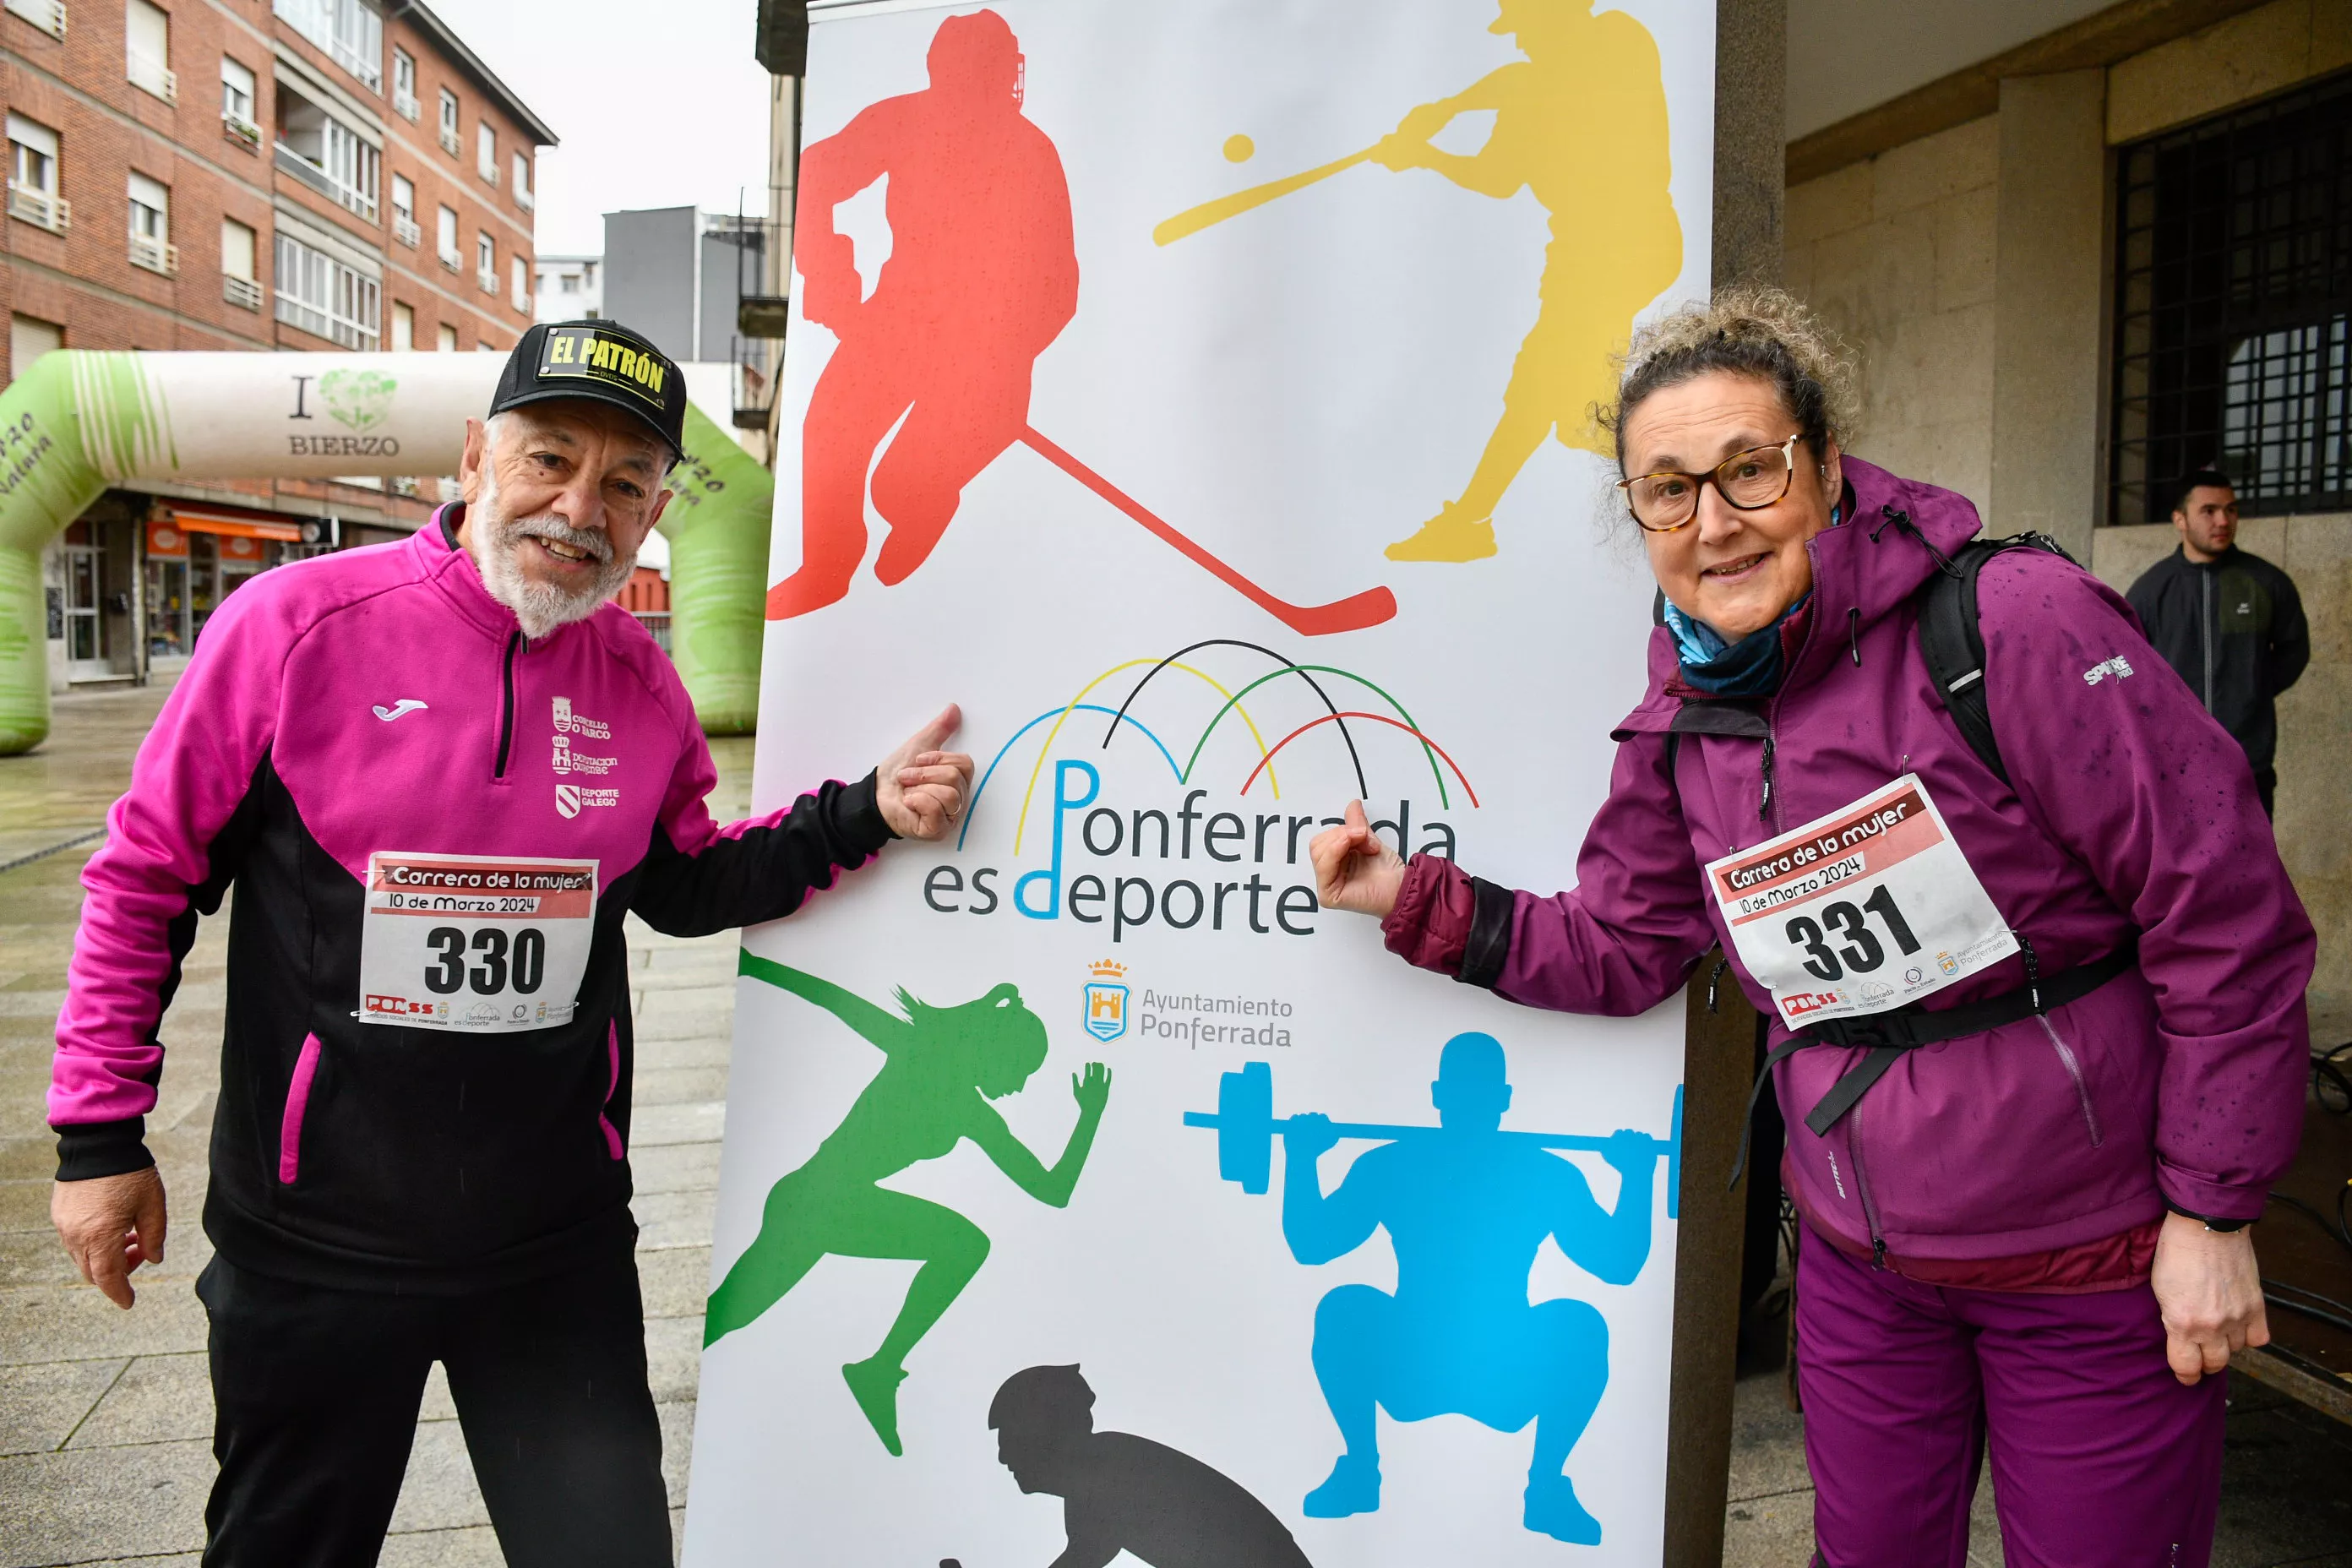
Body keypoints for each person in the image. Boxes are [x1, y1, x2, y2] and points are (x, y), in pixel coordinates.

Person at [1309, 289, 2312, 1566]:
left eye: (1749, 470)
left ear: (1827, 466)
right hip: (1859, 1265)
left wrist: (2215, 1217)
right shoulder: (1684, 708)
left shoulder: (2011, 622)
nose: (1712, 522)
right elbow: (1625, 947)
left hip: (2093, 1259)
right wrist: (1410, 900)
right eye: (1666, 491)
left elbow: (2226, 916)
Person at [46, 318, 977, 1568]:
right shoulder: (293, 626)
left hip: (554, 1248)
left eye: (626, 483)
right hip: (316, 1242)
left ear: (653, 516)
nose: (581, 505)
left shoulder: (641, 688)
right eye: (549, 458)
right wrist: (98, 1139)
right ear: (476, 455)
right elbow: (144, 880)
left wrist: (866, 810)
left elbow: (687, 883)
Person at [704, 956, 1112, 1457]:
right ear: (996, 1051)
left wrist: (1089, 1117)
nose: (1021, 1086)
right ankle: (877, 1370)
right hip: (812, 1203)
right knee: (729, 1314)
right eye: (1022, 1070)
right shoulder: (918, 1052)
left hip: (831, 1204)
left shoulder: (972, 1111)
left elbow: (1052, 1190)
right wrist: (756, 964)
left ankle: (878, 1369)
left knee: (962, 1245)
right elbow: (832, 998)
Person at [1279, 1031, 1653, 1544]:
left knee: (1581, 1324)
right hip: (1418, 1365)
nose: (1471, 1101)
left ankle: (1545, 1489)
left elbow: (1619, 1265)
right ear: (1440, 1095)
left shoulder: (1537, 1172)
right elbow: (1312, 1245)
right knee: (1343, 1308)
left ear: (1498, 1099)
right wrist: (1301, 1161)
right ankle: (1360, 1471)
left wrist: (1638, 1178)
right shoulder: (1399, 1164)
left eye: (1477, 1090)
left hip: (1504, 1370)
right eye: (1463, 1089)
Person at [768, 7, 1078, 619]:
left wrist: (997, 352)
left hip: (989, 351)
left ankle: (920, 508)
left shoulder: (1032, 155)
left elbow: (1059, 287)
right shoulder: (905, 120)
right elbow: (821, 175)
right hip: (898, 320)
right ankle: (827, 568)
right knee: (832, 430)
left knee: (903, 482)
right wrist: (831, 271)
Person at [1364, 0, 1681, 563]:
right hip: (1593, 255)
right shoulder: (1530, 90)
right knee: (1570, 403)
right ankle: (1621, 466)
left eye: (1526, 25)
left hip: (1619, 247)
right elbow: (1498, 176)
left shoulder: (1616, 40)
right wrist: (1428, 148)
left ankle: (1472, 521)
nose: (1520, 39)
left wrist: (1441, 120)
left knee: (1545, 390)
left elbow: (1535, 80)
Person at [966, 1362, 1313, 1568]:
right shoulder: (1101, 1469)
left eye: (1010, 1440)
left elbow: (1084, 1557)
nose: (1003, 1457)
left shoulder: (1104, 1467)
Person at [2125, 469, 2309, 817]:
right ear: (2180, 519)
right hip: (2175, 766)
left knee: (2252, 869)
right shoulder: (2151, 591)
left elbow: (2294, 649)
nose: (2223, 520)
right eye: (2209, 511)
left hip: (2248, 763)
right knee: (2187, 869)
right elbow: (2130, 669)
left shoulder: (2265, 582)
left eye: (2231, 509)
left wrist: (2251, 689)